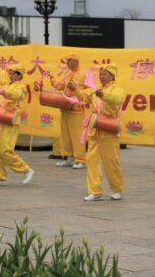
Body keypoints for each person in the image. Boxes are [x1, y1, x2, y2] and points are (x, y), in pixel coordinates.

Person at [80, 64, 125, 201]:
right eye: (101, 74)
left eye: (105, 74)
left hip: (109, 129)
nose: (101, 76)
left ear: (112, 75)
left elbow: (116, 99)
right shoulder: (97, 89)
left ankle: (117, 189)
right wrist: (76, 90)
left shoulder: (116, 89)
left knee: (111, 161)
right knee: (91, 160)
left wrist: (103, 95)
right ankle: (95, 190)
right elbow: (84, 97)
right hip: (95, 128)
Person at [0, 64, 35, 186]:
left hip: (10, 121)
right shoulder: (7, 85)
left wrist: (4, 92)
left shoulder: (21, 87)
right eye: (10, 73)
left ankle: (26, 169)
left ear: (19, 75)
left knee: (5, 150)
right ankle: (0, 177)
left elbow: (17, 95)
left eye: (13, 73)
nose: (11, 75)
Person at [47, 52, 87, 169]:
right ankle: (69, 157)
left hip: (77, 109)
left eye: (68, 61)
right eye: (66, 62)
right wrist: (51, 76)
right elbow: (58, 85)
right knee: (66, 134)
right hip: (65, 107)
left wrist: (76, 89)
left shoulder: (83, 74)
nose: (67, 64)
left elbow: (88, 92)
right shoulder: (67, 73)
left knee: (77, 135)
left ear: (75, 61)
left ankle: (80, 159)